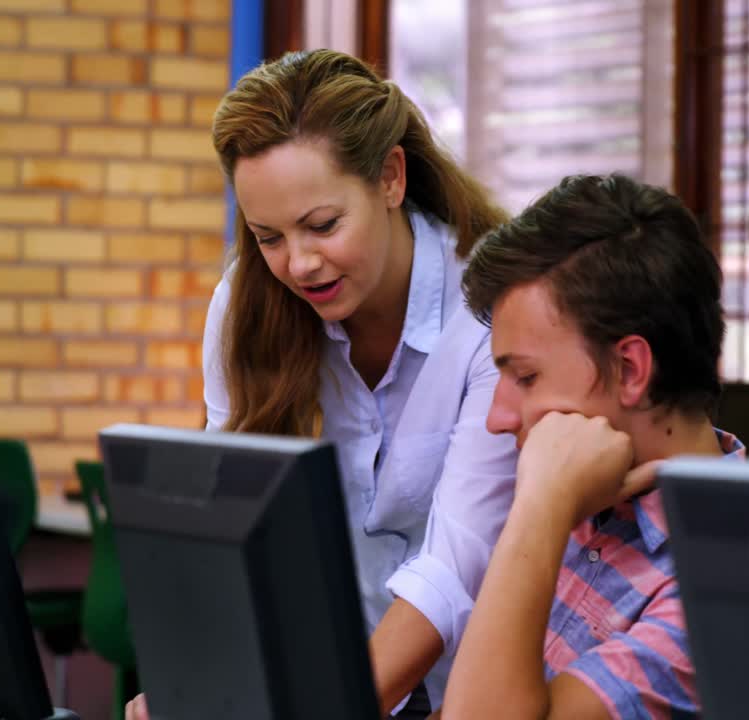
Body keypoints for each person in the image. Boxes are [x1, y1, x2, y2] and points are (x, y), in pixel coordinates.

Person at [125, 49, 517, 719]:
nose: (300, 264)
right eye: (268, 236)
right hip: (333, 680)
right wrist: (200, 687)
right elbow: (236, 530)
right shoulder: (245, 306)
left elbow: (457, 565)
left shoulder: (491, 308)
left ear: (390, 178)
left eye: (322, 225)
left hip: (478, 693)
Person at [439, 174, 744, 719]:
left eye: (526, 377)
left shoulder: (722, 585)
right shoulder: (583, 492)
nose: (496, 419)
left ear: (629, 369)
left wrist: (542, 507)